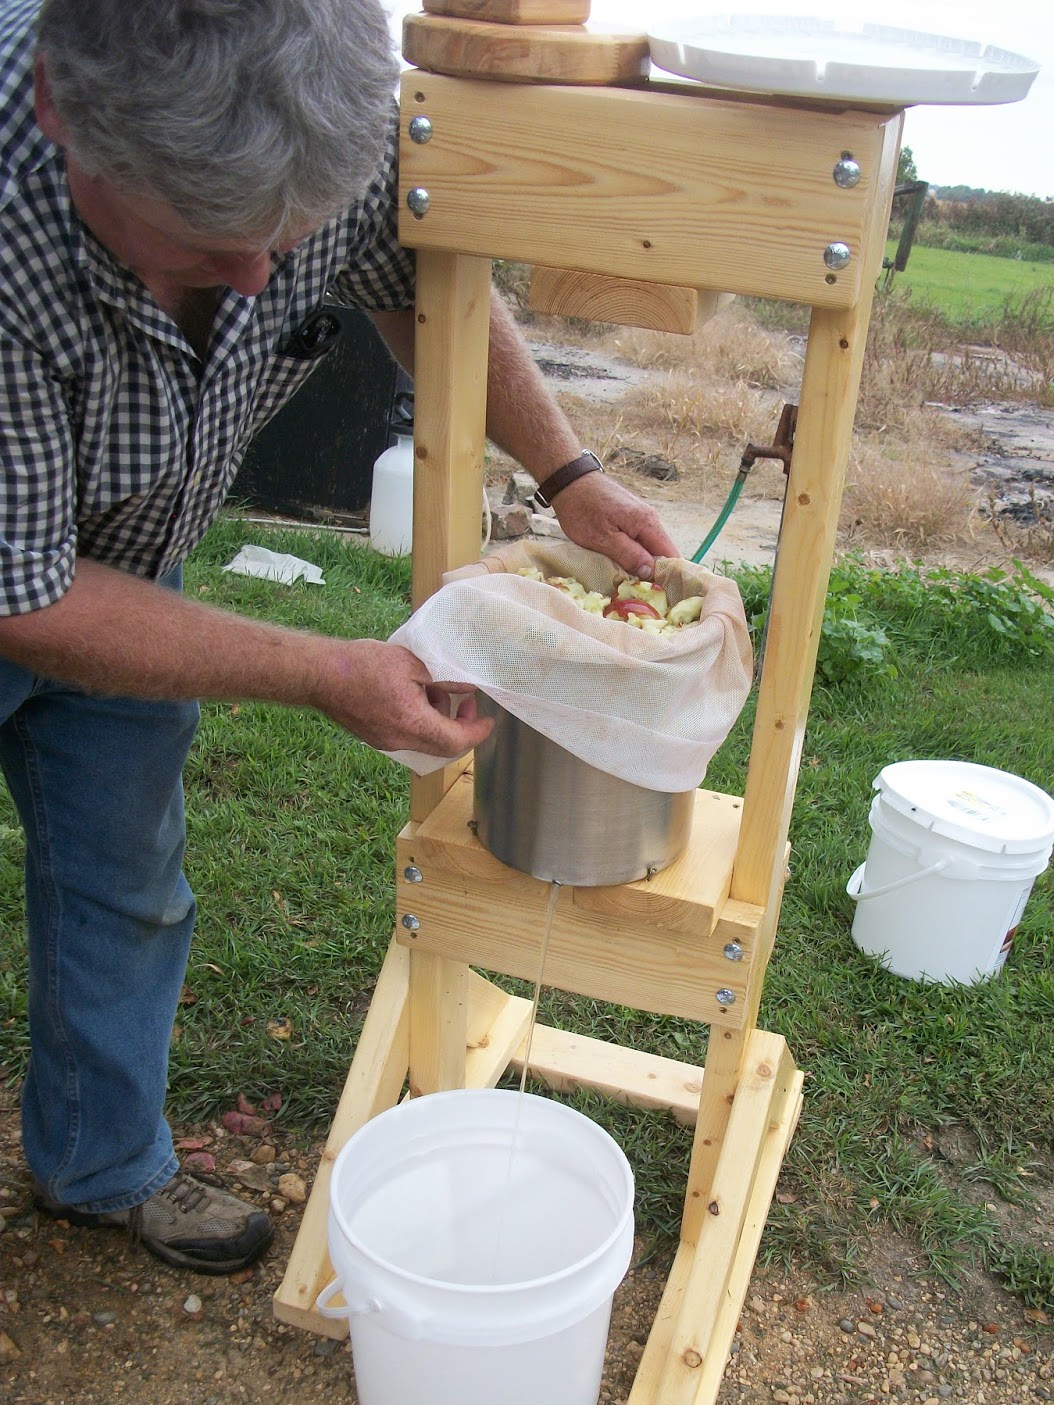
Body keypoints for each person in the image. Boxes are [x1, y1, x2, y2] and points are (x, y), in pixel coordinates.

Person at [0, 0, 677, 1275]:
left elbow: (420, 288)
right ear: (58, 111)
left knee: (123, 874)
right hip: (22, 568)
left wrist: (569, 470)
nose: (261, 279)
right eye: (210, 242)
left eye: (286, 236)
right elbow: (24, 592)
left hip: (128, 565)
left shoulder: (318, 127)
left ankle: (101, 1164)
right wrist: (321, 670)